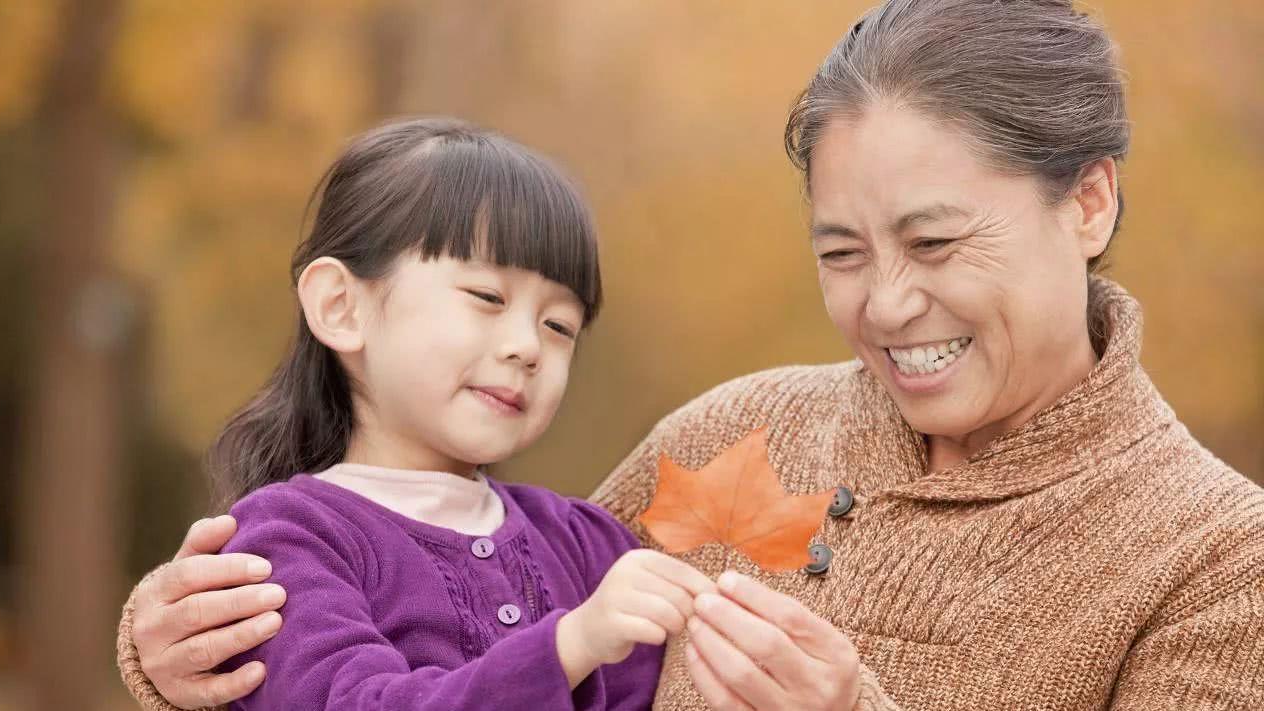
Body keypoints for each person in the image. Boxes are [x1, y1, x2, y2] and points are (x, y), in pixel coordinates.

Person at [118, 1, 1264, 709]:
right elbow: (464, 632)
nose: (889, 303)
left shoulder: (1215, 560)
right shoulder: (735, 434)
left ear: (1088, 203)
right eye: (842, 252)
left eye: (933, 240)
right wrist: (188, 662)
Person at [116, 115, 841, 711]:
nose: (527, 347)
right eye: (487, 299)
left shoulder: (585, 542)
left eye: (559, 327)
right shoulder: (285, 542)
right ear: (342, 306)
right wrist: (570, 644)